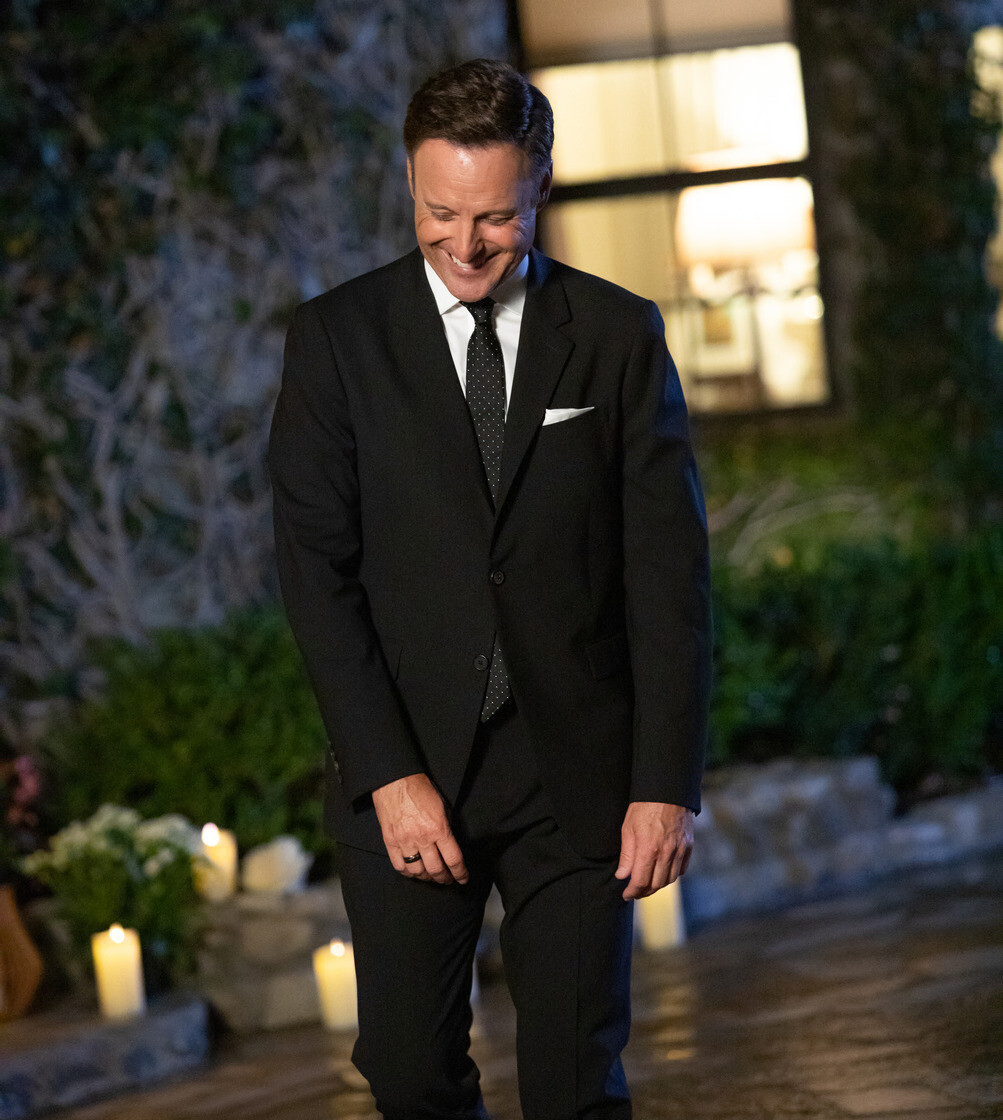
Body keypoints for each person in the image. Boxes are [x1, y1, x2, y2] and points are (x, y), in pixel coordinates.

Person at [268, 57, 711, 1120]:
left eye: (495, 218)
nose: (464, 246)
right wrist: (388, 776)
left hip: (578, 775)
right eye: (439, 213)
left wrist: (663, 782)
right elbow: (316, 577)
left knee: (573, 1084)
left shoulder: (616, 334)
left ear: (541, 188)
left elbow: (668, 573)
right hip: (411, 766)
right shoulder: (335, 340)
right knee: (409, 1072)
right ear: (410, 184)